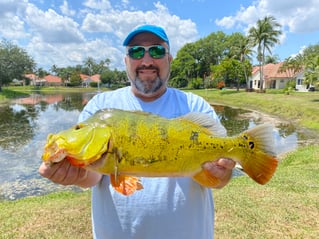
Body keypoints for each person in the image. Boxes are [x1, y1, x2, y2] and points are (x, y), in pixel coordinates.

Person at [39, 24, 236, 239]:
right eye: (136, 51)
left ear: (169, 59)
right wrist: (76, 175)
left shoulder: (195, 106)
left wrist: (221, 174)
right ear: (126, 61)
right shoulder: (100, 107)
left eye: (157, 50)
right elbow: (93, 176)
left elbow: (219, 180)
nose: (147, 60)